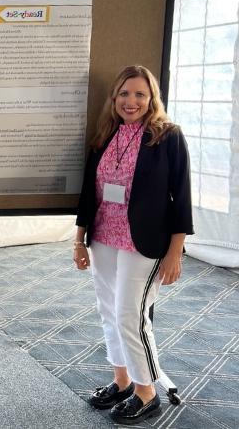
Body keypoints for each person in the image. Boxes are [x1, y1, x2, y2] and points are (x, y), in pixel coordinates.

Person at [74, 65, 193, 425]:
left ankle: (147, 392)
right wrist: (79, 240)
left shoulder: (168, 136)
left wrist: (175, 252)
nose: (132, 101)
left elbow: (182, 198)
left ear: (151, 98)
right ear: (115, 97)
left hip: (145, 242)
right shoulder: (105, 135)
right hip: (105, 237)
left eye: (140, 94)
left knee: (130, 314)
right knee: (108, 310)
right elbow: (88, 193)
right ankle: (122, 381)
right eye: (125, 93)